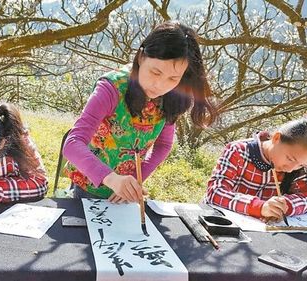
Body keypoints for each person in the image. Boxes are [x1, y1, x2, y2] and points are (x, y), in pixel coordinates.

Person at [63, 21, 216, 203]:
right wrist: (113, 179)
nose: (160, 85)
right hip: (87, 186)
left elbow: (164, 145)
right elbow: (72, 144)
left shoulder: (172, 96)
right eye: (155, 72)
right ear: (141, 57)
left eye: (173, 78)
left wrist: (135, 180)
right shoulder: (112, 88)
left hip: (123, 195)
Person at [204, 117, 307, 221]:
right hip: (218, 223)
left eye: (301, 165)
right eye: (290, 158)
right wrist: (259, 207)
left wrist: (285, 205)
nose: (291, 169)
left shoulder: (296, 167)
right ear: (276, 138)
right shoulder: (238, 151)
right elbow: (215, 192)